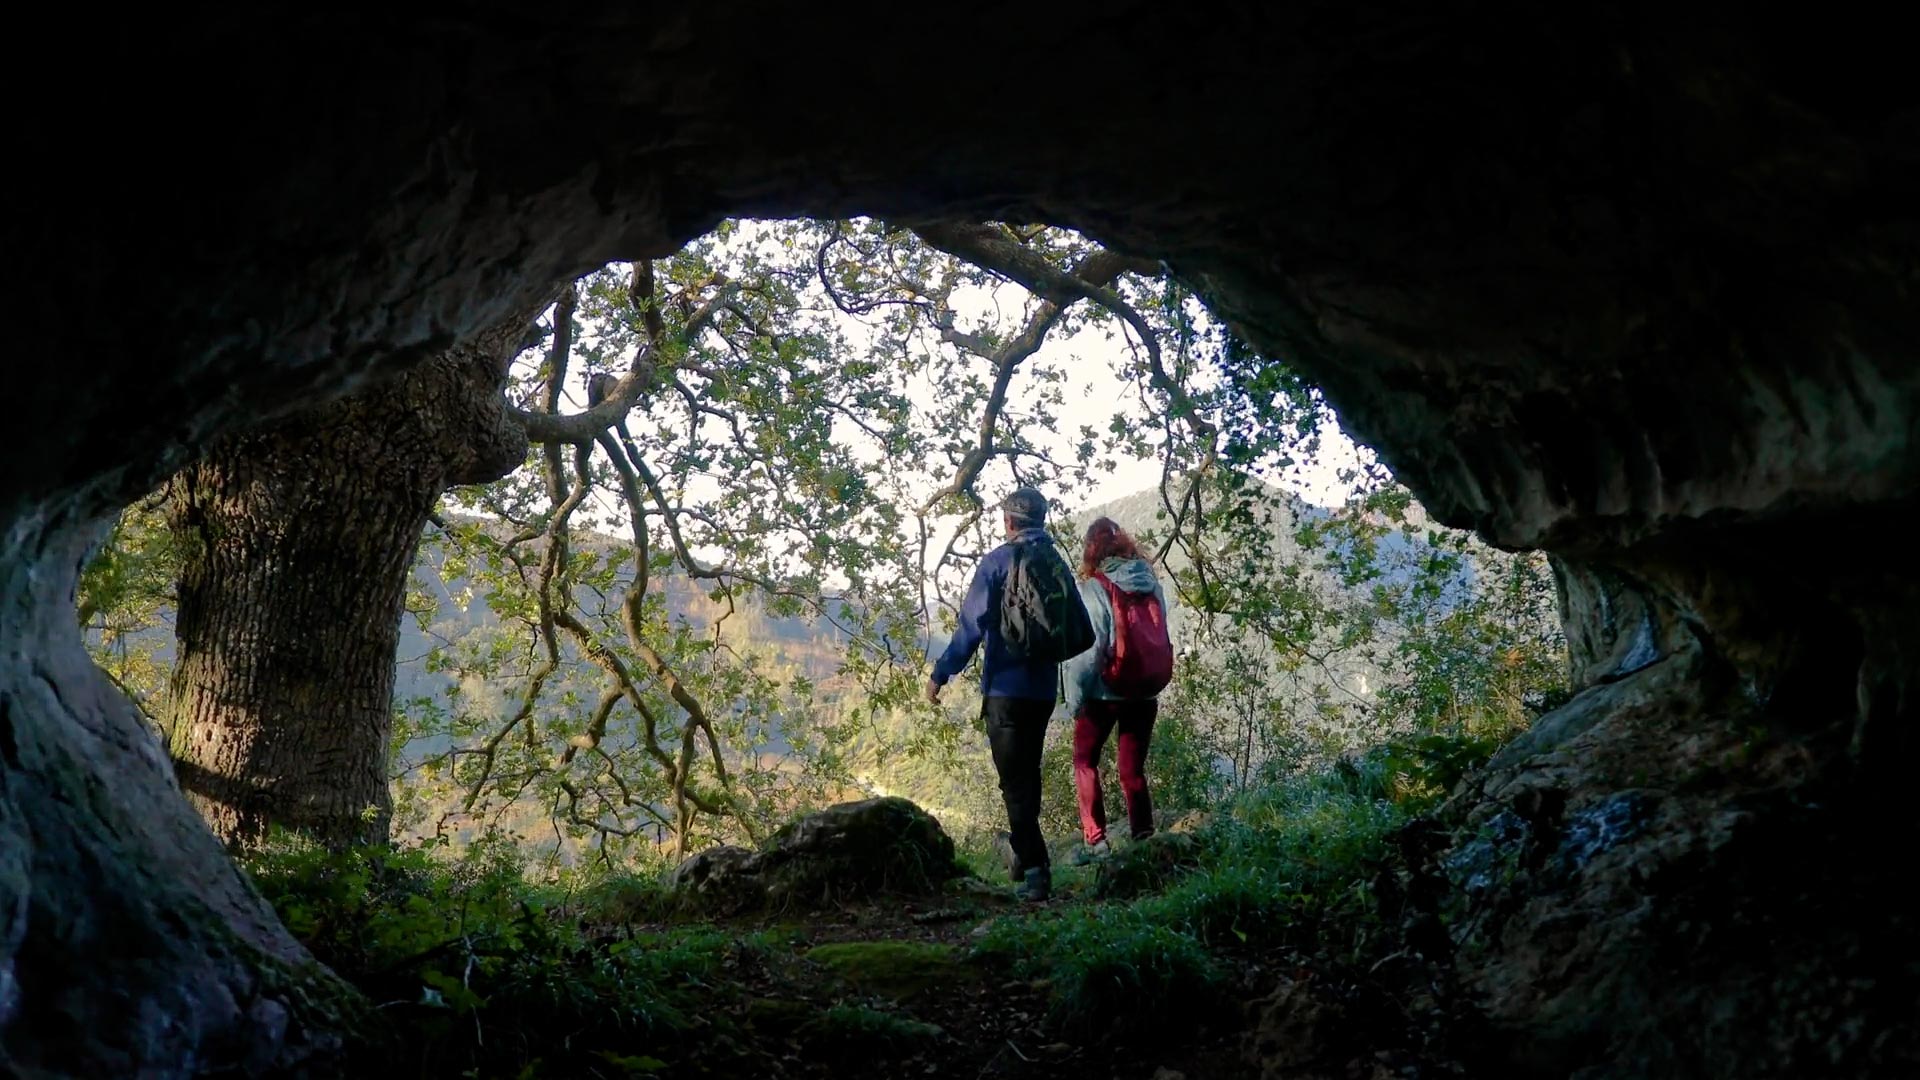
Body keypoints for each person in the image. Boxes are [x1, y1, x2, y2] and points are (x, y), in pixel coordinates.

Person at [926, 486, 1090, 902]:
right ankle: (1022, 855)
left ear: (1009, 521)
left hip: (1004, 690)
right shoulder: (1055, 562)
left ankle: (1035, 871)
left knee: (1014, 784)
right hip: (1042, 691)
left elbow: (970, 627)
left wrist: (941, 673)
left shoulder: (996, 562)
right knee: (1027, 776)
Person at [1061, 517, 1174, 863]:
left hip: (1104, 694)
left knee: (1085, 761)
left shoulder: (1095, 587)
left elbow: (1090, 652)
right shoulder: (1151, 583)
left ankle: (1096, 841)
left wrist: (1074, 701)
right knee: (1132, 770)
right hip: (1145, 690)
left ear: (1091, 551)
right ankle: (1144, 838)